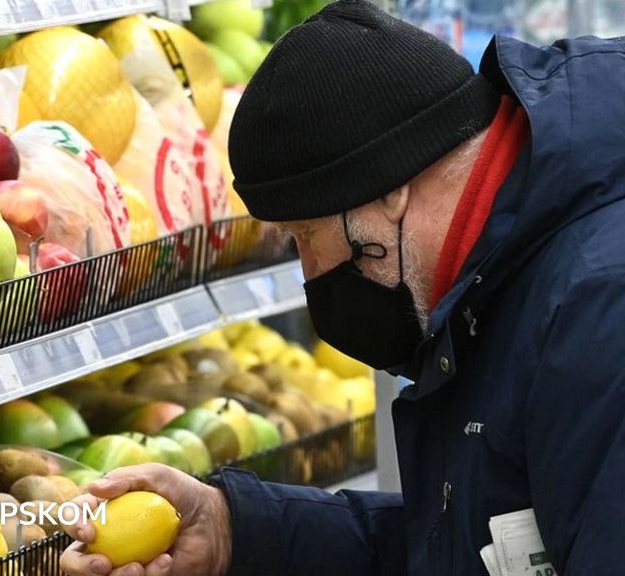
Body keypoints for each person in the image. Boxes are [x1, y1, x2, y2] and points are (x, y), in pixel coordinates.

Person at [59, 0, 625, 574]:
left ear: (389, 190)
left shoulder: (599, 314)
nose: (310, 273)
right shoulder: (501, 279)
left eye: (306, 235)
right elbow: (469, 543)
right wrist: (238, 529)